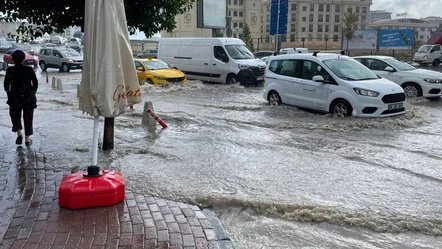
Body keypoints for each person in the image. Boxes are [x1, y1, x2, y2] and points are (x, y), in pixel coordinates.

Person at [3, 50, 38, 146]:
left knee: (15, 116)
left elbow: (6, 84)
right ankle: (27, 138)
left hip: (15, 97)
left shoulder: (10, 70)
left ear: (13, 59)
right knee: (28, 117)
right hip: (28, 97)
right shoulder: (29, 70)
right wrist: (32, 93)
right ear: (24, 58)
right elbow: (35, 83)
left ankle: (19, 133)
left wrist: (9, 93)